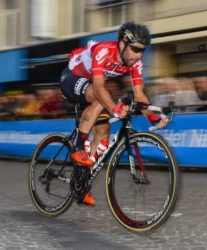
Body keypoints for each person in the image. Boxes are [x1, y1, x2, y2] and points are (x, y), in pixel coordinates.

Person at [59, 22, 169, 205]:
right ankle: (78, 147)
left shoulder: (135, 62)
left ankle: (80, 183)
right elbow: (100, 88)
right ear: (122, 44)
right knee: (99, 95)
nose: (138, 55)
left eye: (142, 51)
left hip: (92, 87)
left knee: (103, 135)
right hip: (71, 78)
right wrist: (115, 108)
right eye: (135, 49)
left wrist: (152, 115)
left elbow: (139, 94)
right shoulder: (103, 51)